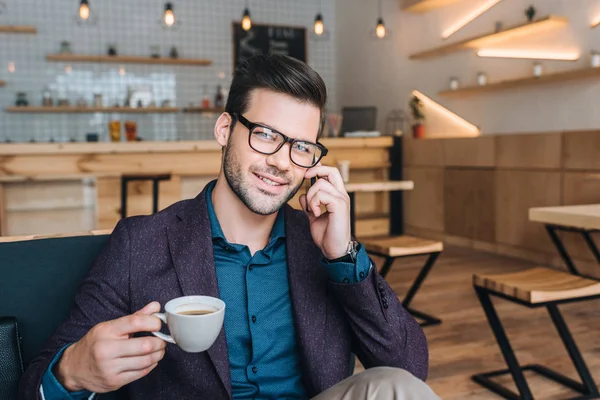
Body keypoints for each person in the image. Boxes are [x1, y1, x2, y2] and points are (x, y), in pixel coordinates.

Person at [19, 54, 440, 400]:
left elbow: (409, 371)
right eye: (266, 135)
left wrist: (344, 255)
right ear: (225, 129)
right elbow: (33, 384)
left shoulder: (322, 247)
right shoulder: (141, 242)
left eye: (300, 147)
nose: (281, 161)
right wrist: (73, 371)